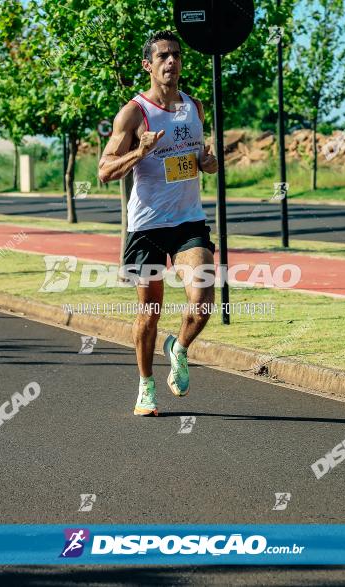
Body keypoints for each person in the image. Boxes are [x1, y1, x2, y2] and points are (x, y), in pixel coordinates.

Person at [98, 30, 219, 417]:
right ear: (148, 65)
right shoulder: (133, 113)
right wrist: (140, 150)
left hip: (188, 221)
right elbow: (104, 171)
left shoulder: (195, 108)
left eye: (177, 55)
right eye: (163, 56)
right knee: (149, 312)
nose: (172, 62)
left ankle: (179, 349)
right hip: (148, 225)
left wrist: (207, 163)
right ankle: (146, 385)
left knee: (202, 303)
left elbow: (201, 158)